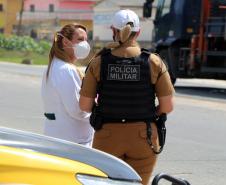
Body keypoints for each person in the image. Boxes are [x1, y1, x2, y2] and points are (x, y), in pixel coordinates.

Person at [79, 9, 174, 184]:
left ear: (113, 31)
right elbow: (167, 107)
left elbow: (85, 105)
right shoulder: (153, 61)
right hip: (143, 136)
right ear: (137, 32)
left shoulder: (99, 62)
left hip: (107, 135)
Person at [41, 23, 94, 147]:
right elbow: (78, 110)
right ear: (65, 42)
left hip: (60, 137)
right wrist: (97, 114)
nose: (84, 44)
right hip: (72, 143)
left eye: (86, 40)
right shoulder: (66, 70)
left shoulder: (54, 66)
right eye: (80, 39)